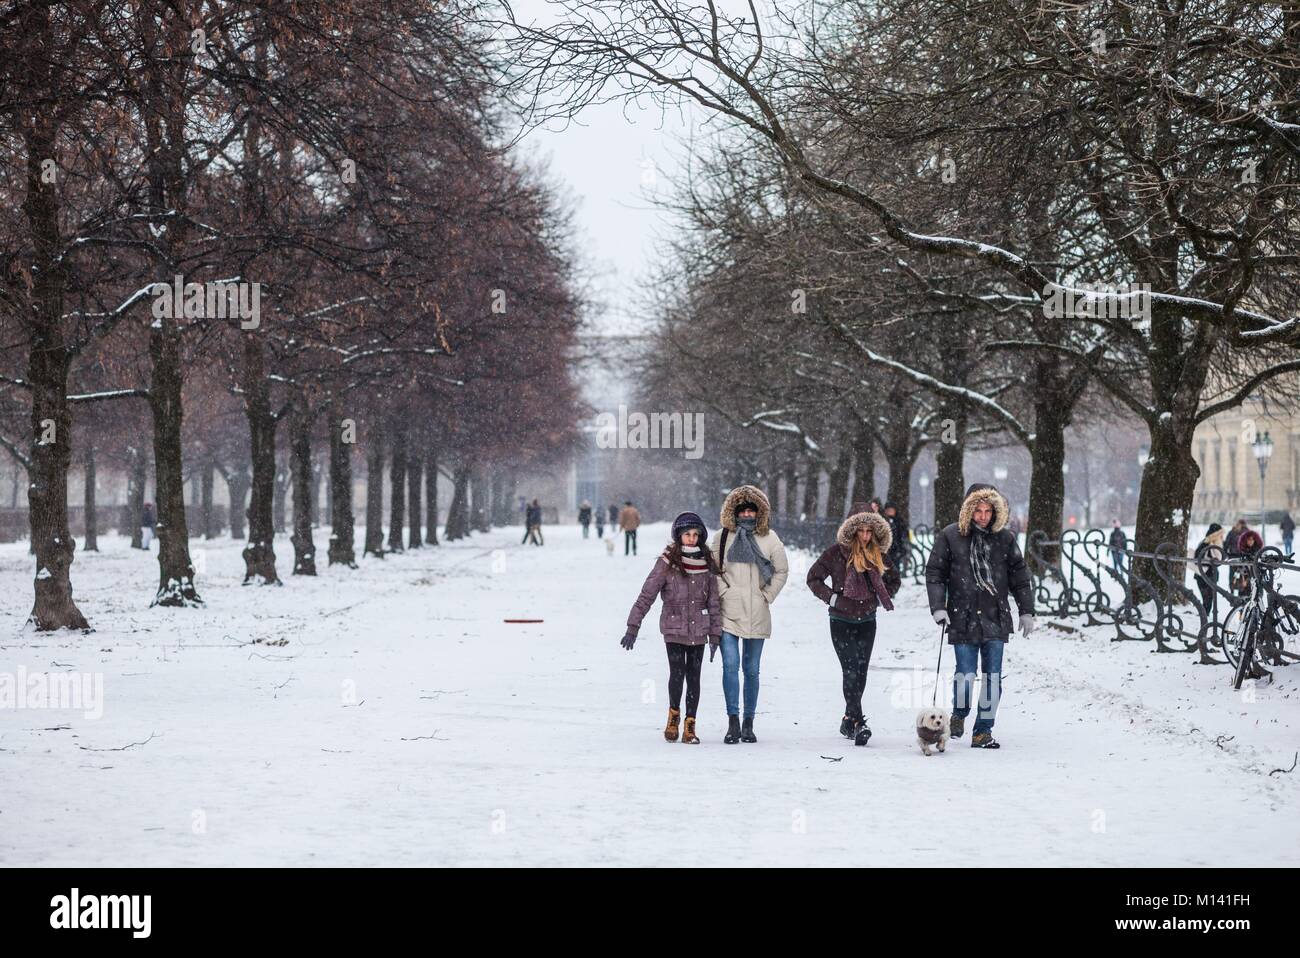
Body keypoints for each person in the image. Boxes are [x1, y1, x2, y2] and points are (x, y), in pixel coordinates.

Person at [925, 483, 1035, 749]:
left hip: (995, 617)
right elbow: (935, 574)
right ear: (968, 510)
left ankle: (983, 730)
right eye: (978, 510)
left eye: (988, 510)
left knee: (993, 677)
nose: (983, 516)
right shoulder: (951, 536)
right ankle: (960, 714)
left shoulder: (1005, 539)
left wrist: (1027, 610)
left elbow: (1020, 578)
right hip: (961, 616)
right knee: (965, 673)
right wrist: (938, 606)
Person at [620, 512, 722, 745]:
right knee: (677, 674)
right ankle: (673, 717)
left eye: (696, 535)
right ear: (679, 535)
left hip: (699, 630)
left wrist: (715, 634)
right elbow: (647, 594)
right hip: (674, 628)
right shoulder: (667, 562)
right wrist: (632, 626)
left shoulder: (707, 564)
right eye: (687, 534)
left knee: (694, 677)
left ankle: (690, 725)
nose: (692, 539)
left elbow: (714, 601)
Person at [807, 503, 899, 746]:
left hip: (867, 620)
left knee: (861, 670)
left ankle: (848, 717)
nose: (866, 536)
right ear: (851, 530)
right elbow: (813, 578)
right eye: (861, 530)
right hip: (840, 620)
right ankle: (859, 722)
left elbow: (894, 580)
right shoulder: (835, 553)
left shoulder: (879, 554)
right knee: (849, 668)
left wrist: (879, 597)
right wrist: (833, 598)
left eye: (870, 530)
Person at [708, 485, 790, 744]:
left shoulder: (770, 538)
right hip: (728, 613)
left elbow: (781, 571)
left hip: (757, 611)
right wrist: (724, 593)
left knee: (751, 669)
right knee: (730, 665)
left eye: (750, 510)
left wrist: (766, 595)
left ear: (759, 512)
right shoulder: (722, 537)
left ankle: (748, 722)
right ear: (733, 511)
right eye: (741, 510)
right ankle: (732, 721)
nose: (745, 514)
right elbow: (714, 570)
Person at [1193, 523, 1226, 616]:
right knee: (1207, 598)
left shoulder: (1217, 544)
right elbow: (1197, 559)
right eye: (1220, 534)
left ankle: (1204, 616)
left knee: (1208, 599)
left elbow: (1222, 557)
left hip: (1210, 574)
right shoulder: (1206, 543)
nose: (1222, 537)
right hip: (1204, 574)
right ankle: (1204, 617)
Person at [881, 501, 908, 580]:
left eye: (891, 509)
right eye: (888, 509)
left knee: (895, 568)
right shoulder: (882, 520)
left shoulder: (899, 521)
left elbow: (903, 535)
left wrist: (902, 547)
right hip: (885, 550)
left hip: (896, 550)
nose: (889, 511)